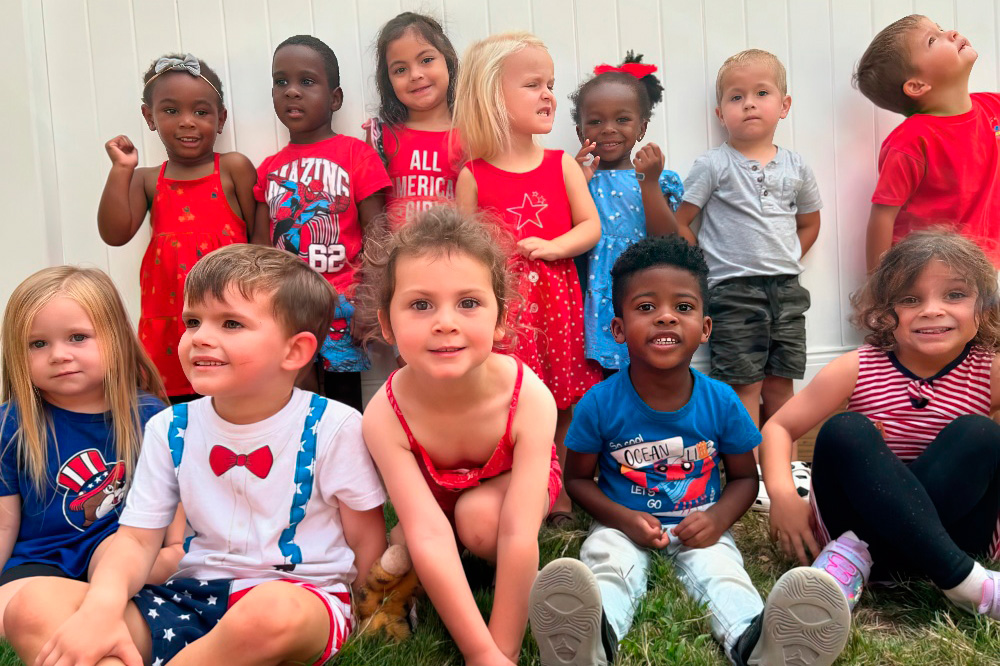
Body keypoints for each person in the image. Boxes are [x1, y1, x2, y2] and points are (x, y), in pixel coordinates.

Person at [5, 245, 388, 666]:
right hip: (186, 598)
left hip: (301, 598)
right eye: (193, 321)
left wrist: (377, 612)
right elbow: (134, 539)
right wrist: (102, 609)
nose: (201, 336)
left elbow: (365, 536)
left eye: (230, 323)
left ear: (294, 352)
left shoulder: (334, 425)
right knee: (34, 605)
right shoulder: (170, 427)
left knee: (271, 612)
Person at [529, 236, 851, 666]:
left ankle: (760, 644)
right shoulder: (598, 404)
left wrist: (717, 519)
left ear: (705, 327)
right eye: (646, 308)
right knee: (607, 564)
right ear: (618, 329)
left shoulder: (721, 402)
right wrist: (623, 518)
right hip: (622, 524)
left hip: (700, 527)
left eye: (683, 307)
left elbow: (743, 478)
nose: (665, 318)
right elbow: (576, 480)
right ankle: (589, 642)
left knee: (723, 575)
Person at [762, 230, 1000, 624]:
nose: (932, 309)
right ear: (885, 313)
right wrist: (784, 496)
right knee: (846, 430)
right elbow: (778, 428)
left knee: (979, 434)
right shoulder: (859, 366)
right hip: (862, 538)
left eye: (955, 295)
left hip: (955, 534)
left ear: (985, 307)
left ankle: (939, 570)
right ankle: (968, 584)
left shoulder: (989, 371)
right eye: (910, 299)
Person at [359, 207, 563, 666]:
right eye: (420, 304)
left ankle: (478, 557)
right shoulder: (383, 416)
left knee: (480, 521)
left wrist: (501, 651)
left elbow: (516, 531)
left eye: (468, 303)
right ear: (387, 323)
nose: (444, 322)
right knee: (408, 542)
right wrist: (478, 654)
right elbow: (427, 532)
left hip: (506, 501)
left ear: (499, 319)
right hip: (434, 506)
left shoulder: (528, 397)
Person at [454, 31, 603, 526]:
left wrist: (555, 246)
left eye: (550, 84)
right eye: (533, 84)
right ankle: (517, 481)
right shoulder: (473, 175)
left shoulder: (561, 165)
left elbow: (590, 227)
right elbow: (464, 249)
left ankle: (556, 489)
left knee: (563, 397)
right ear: (493, 97)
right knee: (510, 398)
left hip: (558, 302)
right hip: (507, 309)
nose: (548, 95)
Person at [0, 266, 178, 635]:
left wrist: (176, 552)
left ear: (116, 338)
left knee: (143, 563)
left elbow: (175, 504)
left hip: (123, 552)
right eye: (38, 344)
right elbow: (5, 520)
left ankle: (99, 609)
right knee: (10, 614)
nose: (58, 355)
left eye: (78, 337)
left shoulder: (151, 417)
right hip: (42, 560)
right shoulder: (11, 424)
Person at [673, 49, 822, 433]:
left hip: (787, 290)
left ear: (784, 105)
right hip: (733, 291)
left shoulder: (797, 166)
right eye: (736, 97)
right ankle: (751, 476)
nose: (749, 104)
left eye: (761, 93)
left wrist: (785, 257)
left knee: (780, 384)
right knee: (744, 384)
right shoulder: (714, 164)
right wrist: (705, 265)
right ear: (721, 114)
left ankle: (784, 471)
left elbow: (809, 222)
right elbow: (682, 220)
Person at [98, 53, 256, 402]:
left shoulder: (233, 169)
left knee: (237, 395)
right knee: (175, 407)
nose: (187, 122)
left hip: (231, 311)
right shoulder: (147, 180)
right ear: (148, 117)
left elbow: (261, 243)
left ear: (220, 119)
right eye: (171, 111)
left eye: (201, 112)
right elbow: (114, 233)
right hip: (169, 321)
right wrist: (121, 169)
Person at [253, 35, 392, 412]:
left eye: (307, 82)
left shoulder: (356, 154)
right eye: (281, 82)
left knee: (344, 403)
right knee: (295, 396)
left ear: (335, 98)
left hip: (343, 302)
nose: (292, 92)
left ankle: (347, 468)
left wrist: (373, 301)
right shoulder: (268, 169)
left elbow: (378, 234)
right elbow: (258, 251)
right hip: (286, 306)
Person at [855, 15, 1000, 270]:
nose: (951, 33)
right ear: (917, 85)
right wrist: (876, 288)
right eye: (933, 40)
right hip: (930, 273)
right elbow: (882, 216)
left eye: (941, 28)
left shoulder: (994, 107)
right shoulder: (911, 141)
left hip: (988, 267)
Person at [570, 51, 684, 373]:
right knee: (599, 374)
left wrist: (648, 183)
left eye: (622, 119)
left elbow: (665, 239)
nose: (608, 129)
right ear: (580, 132)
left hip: (643, 289)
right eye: (595, 121)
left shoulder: (656, 178)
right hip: (594, 293)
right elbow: (565, 233)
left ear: (641, 128)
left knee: (647, 366)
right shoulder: (575, 178)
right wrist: (575, 182)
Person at [365, 12, 462, 224]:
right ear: (388, 81)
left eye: (426, 60)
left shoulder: (472, 134)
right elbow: (372, 209)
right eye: (400, 69)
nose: (415, 75)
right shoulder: (382, 137)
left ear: (448, 61)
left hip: (453, 253)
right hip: (398, 255)